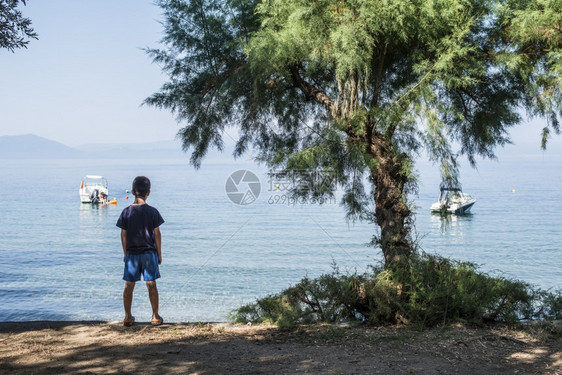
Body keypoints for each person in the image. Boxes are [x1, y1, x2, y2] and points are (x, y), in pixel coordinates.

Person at [116, 176, 165, 326]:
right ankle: (155, 316)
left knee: (129, 285)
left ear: (132, 192)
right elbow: (157, 233)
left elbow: (123, 234)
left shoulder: (126, 212)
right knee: (151, 284)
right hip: (149, 253)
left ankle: (128, 317)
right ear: (148, 192)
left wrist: (125, 253)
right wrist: (159, 253)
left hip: (132, 253)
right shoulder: (152, 211)